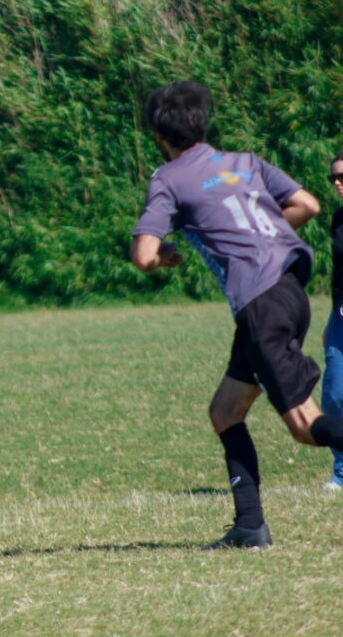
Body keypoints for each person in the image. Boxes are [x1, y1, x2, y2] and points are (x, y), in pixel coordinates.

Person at [131, 80, 343, 549]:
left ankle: (251, 528)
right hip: (290, 289)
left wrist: (166, 254)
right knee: (225, 411)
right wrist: (262, 235)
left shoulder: (168, 177)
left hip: (260, 306)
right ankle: (250, 526)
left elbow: (145, 254)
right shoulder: (243, 162)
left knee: (307, 428)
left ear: (161, 137)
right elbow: (307, 204)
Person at [321, 149, 343, 491]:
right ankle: (342, 470)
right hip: (340, 318)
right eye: (334, 178)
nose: (338, 183)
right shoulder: (338, 220)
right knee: (335, 393)